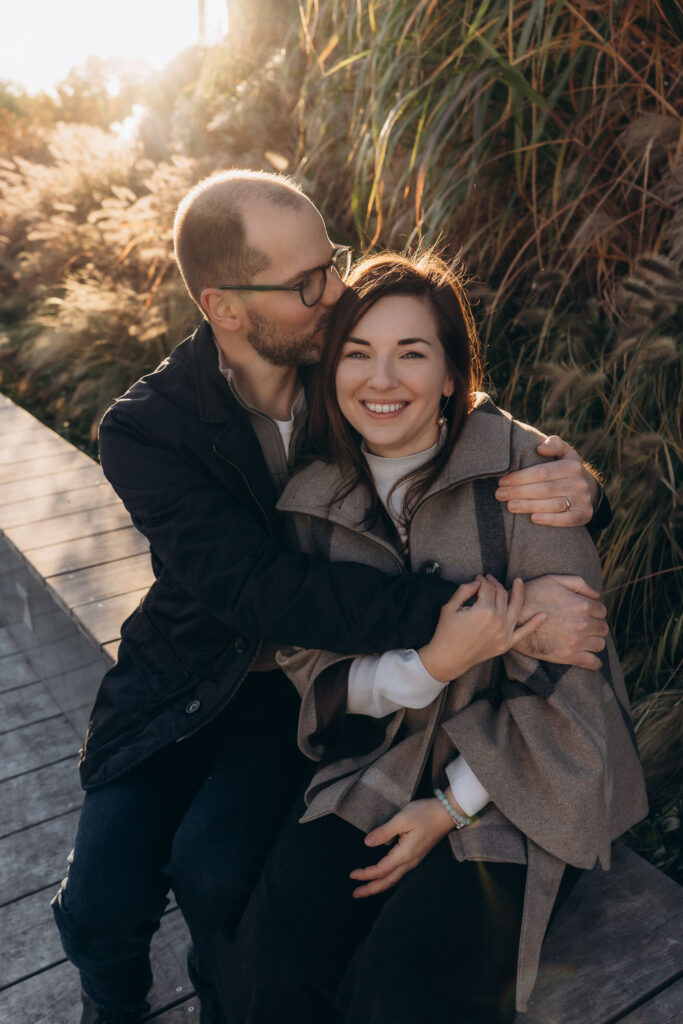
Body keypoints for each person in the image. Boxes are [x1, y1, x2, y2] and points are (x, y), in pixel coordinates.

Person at [50, 170, 611, 1024]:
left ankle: (220, 993)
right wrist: (492, 615)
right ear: (226, 307)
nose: (337, 293)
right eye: (308, 281)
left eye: (333, 263)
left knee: (217, 872)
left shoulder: (342, 375)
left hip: (301, 690)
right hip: (189, 674)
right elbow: (256, 589)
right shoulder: (146, 428)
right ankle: (114, 1002)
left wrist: (578, 486)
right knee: (98, 902)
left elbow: (453, 406)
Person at [209, 251, 647, 1024]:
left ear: (452, 373)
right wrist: (427, 667)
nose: (381, 381)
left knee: (397, 1002)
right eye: (356, 353)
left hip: (531, 773)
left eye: (411, 354)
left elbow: (572, 686)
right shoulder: (312, 500)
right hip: (383, 755)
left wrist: (448, 808)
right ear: (328, 368)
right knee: (267, 971)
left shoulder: (527, 474)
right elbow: (314, 665)